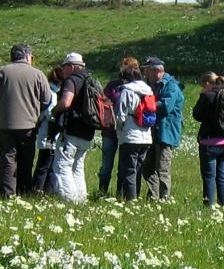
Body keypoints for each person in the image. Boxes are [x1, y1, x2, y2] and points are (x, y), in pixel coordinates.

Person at [0, 43, 52, 198]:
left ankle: (8, 193)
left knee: (8, 158)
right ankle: (24, 190)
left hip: (6, 124)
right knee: (26, 160)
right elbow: (47, 100)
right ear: (28, 56)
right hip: (29, 124)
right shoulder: (38, 74)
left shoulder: (2, 73)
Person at [48, 52, 95, 203]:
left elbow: (66, 103)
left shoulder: (72, 80)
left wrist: (54, 111)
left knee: (62, 166)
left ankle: (70, 201)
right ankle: (81, 200)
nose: (63, 70)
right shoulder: (91, 79)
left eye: (65, 67)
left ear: (72, 66)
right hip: (88, 130)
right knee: (77, 167)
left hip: (72, 129)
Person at [192, 71, 224, 208]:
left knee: (209, 177)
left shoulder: (207, 96)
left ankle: (208, 206)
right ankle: (223, 206)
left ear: (208, 83)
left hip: (210, 142)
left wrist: (202, 97)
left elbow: (196, 115)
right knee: (222, 176)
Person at [141, 55, 184, 200]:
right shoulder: (152, 85)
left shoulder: (171, 86)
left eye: (147, 71)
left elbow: (166, 106)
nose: (146, 74)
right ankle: (154, 195)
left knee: (162, 169)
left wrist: (146, 105)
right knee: (147, 167)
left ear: (156, 71)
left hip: (166, 133)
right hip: (153, 133)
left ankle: (164, 199)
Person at [113, 63, 155, 200]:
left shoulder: (127, 91)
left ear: (126, 78)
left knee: (129, 170)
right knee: (137, 169)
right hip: (146, 136)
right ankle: (135, 196)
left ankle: (130, 199)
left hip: (130, 136)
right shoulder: (148, 90)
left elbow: (120, 115)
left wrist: (118, 129)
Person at [97, 56, 137, 197]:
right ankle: (102, 192)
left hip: (126, 131)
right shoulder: (112, 85)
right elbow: (103, 102)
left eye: (125, 66)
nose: (122, 69)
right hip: (110, 131)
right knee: (106, 165)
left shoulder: (135, 88)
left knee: (123, 166)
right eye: (122, 66)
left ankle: (120, 194)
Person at [30, 64, 64, 194]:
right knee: (45, 165)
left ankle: (42, 190)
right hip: (49, 135)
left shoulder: (46, 91)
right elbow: (50, 114)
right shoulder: (53, 95)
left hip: (45, 133)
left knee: (45, 164)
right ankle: (38, 190)